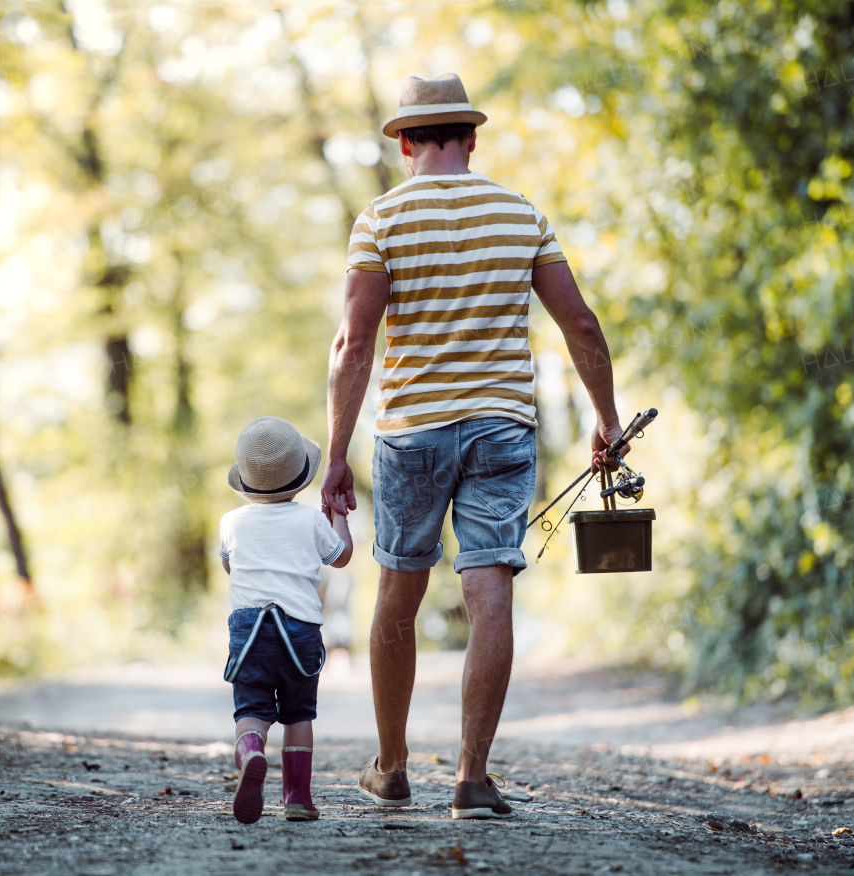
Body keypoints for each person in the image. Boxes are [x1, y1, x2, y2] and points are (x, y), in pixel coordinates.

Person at [321, 73, 629, 819]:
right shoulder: (520, 214)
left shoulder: (379, 221)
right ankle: (471, 779)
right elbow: (581, 325)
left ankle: (391, 768)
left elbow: (354, 344)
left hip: (411, 433)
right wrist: (607, 419)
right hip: (500, 427)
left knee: (401, 586)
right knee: (489, 589)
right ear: (471, 138)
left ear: (404, 143)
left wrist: (334, 455)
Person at [220, 416, 354, 824]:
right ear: (298, 476)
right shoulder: (310, 520)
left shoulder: (232, 522)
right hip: (299, 629)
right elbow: (342, 556)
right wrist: (338, 514)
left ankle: (251, 752)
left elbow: (231, 568)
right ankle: (297, 797)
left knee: (252, 709)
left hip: (249, 630)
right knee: (299, 714)